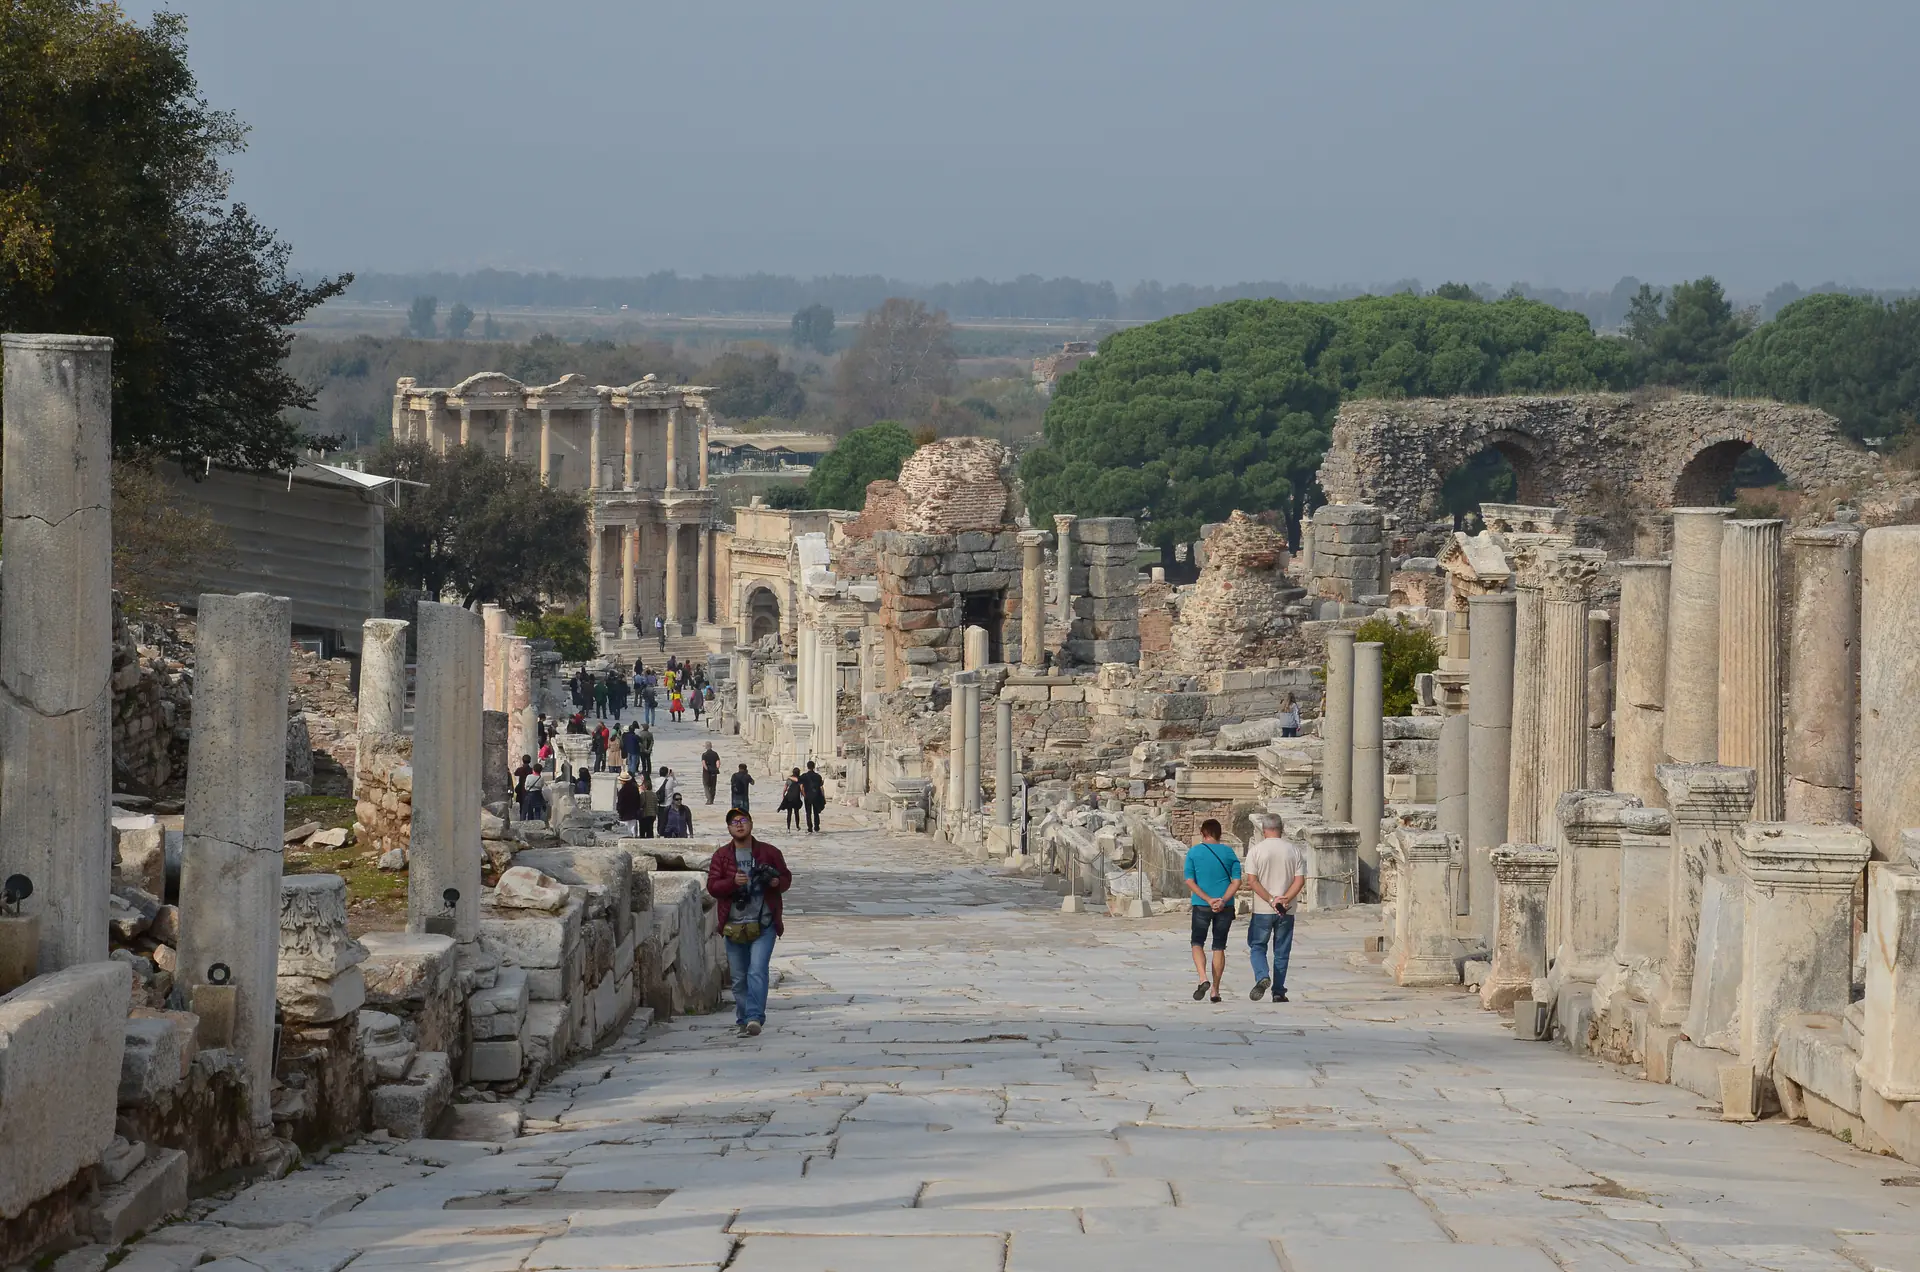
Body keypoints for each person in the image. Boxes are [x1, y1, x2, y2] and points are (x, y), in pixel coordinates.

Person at [705, 808, 792, 1038]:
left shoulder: (770, 852)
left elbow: (786, 878)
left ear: (751, 824)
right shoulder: (721, 856)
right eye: (734, 822)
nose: (739, 824)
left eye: (743, 820)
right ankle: (743, 1019)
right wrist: (732, 882)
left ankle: (754, 1017)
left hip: (764, 923)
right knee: (738, 978)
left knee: (757, 971)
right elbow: (712, 887)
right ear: (728, 828)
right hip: (733, 925)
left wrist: (776, 882)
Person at [1243, 813, 1308, 1002]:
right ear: (1282, 829)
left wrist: (1272, 900)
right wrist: (1285, 899)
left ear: (1263, 830)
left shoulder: (1256, 851)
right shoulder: (1294, 850)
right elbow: (1299, 880)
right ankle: (1278, 992)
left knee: (1257, 946)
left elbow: (1252, 881)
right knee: (1282, 951)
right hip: (1286, 909)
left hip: (1263, 909)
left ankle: (1262, 975)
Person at [1183, 818, 1242, 1004]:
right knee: (1219, 946)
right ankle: (1215, 990)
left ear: (1203, 833)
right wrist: (1222, 900)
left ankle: (1203, 978)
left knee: (1197, 942)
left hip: (1201, 904)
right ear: (1219, 834)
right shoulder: (1229, 852)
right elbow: (1237, 881)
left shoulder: (1194, 852)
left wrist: (1208, 899)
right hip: (1225, 905)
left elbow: (1189, 881)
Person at [798, 760, 826, 834]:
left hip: (807, 796)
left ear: (807, 767)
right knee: (816, 812)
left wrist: (804, 794)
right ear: (814, 767)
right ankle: (816, 827)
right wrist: (823, 796)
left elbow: (801, 786)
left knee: (808, 813)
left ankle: (810, 827)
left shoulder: (804, 776)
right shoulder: (818, 776)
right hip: (816, 796)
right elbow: (821, 787)